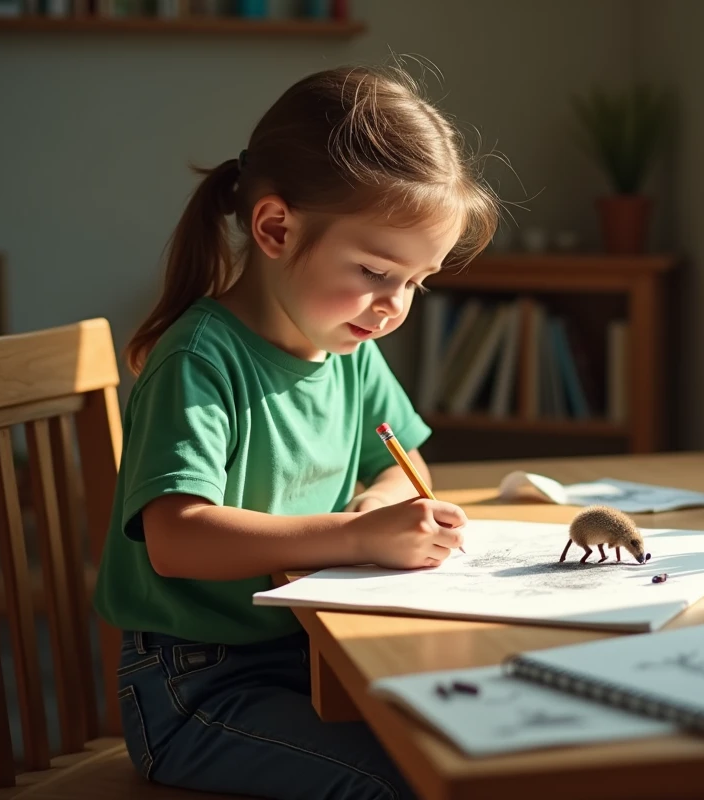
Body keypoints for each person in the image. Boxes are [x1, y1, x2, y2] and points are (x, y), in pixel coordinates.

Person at [93, 64, 500, 800]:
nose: (393, 306)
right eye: (377, 270)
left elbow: (402, 463)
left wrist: (380, 506)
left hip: (315, 659)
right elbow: (177, 538)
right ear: (276, 228)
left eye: (417, 281)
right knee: (408, 782)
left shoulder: (348, 350)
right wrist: (354, 539)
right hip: (199, 691)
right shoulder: (198, 359)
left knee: (479, 746)